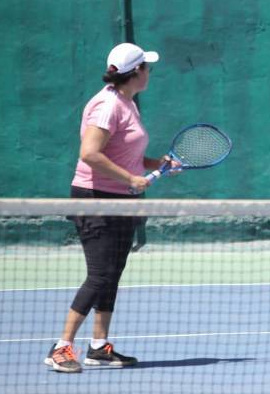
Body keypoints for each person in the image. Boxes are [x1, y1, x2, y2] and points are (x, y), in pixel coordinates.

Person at [44, 43, 177, 373]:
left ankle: (99, 347)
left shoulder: (127, 103)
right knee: (100, 274)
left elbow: (123, 152)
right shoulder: (107, 106)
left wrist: (153, 163)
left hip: (121, 200)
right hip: (96, 199)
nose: (150, 71)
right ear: (136, 73)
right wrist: (132, 178)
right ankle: (61, 348)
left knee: (112, 273)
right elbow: (89, 153)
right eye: (147, 66)